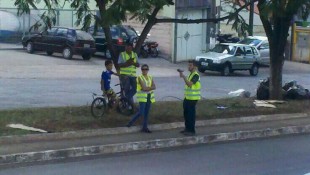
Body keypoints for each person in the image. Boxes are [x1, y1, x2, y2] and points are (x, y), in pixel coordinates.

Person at [126, 64, 156, 133]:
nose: (144, 70)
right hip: (142, 97)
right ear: (141, 70)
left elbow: (154, 86)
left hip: (149, 97)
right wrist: (150, 88)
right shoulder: (139, 77)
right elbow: (144, 88)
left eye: (146, 69)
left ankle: (145, 127)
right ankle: (130, 123)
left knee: (146, 113)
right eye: (143, 69)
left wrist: (147, 88)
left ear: (148, 70)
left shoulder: (150, 77)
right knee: (141, 112)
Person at [178, 60, 201, 136]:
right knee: (186, 113)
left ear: (194, 67)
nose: (188, 67)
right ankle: (187, 128)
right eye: (188, 65)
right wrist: (182, 75)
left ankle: (191, 130)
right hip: (188, 97)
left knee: (191, 115)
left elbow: (190, 84)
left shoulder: (196, 75)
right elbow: (187, 82)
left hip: (193, 99)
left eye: (190, 65)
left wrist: (184, 77)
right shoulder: (190, 75)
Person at [118, 42, 140, 111]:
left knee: (135, 88)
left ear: (132, 48)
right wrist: (127, 63)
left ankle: (125, 99)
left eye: (130, 48)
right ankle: (129, 105)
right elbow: (119, 65)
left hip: (133, 75)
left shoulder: (134, 54)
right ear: (125, 47)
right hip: (125, 75)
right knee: (127, 89)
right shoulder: (122, 54)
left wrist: (133, 63)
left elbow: (138, 65)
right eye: (127, 47)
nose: (129, 49)